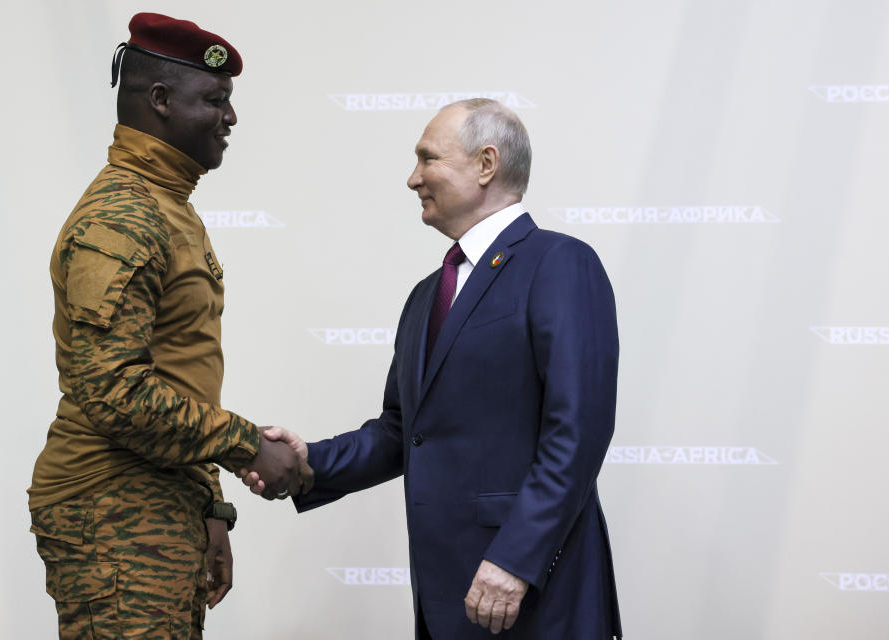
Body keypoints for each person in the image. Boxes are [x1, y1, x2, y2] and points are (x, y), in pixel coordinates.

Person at [243, 99, 622, 639]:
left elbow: (578, 431)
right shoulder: (427, 295)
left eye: (428, 159)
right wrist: (309, 463)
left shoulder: (560, 262)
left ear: (487, 164)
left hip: (532, 587)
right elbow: (403, 432)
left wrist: (516, 559)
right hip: (447, 596)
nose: (412, 178)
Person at [27, 13, 312, 639]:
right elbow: (115, 392)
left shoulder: (167, 206)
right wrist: (245, 444)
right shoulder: (124, 217)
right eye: (214, 99)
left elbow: (177, 374)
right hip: (111, 502)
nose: (230, 117)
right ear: (159, 101)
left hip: (158, 496)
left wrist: (208, 503)